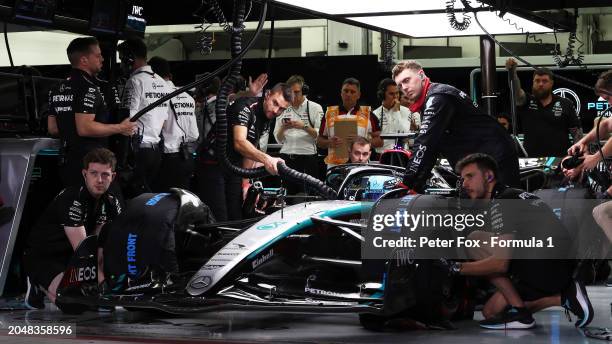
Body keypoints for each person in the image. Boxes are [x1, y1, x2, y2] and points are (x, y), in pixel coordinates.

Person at [444, 153, 592, 329]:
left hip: (546, 267)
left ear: (488, 176)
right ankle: (564, 297)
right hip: (556, 266)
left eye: (470, 176)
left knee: (474, 240)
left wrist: (454, 268)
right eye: (462, 178)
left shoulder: (503, 202)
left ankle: (520, 312)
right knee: (491, 312)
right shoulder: (510, 195)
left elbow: (499, 264)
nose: (465, 184)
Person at [392, 60, 520, 192]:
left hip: (496, 158)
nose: (404, 88)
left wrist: (407, 183)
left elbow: (425, 142)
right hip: (481, 160)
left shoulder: (437, 97)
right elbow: (432, 147)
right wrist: (416, 186)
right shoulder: (431, 99)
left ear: (421, 75)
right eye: (400, 86)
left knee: (504, 207)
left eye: (406, 80)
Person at [23, 148, 122, 309]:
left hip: (71, 258)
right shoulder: (72, 199)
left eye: (105, 175)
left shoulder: (111, 201)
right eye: (94, 173)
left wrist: (107, 284)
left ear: (113, 176)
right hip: (45, 256)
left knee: (93, 299)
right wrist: (103, 287)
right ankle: (37, 283)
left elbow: (104, 244)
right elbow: (83, 251)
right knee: (74, 304)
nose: (99, 180)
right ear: (84, 174)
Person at [197, 83, 292, 221]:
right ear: (267, 94)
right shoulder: (244, 107)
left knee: (237, 216)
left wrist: (246, 185)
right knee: (220, 218)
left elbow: (251, 148)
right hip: (212, 164)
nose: (276, 111)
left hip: (234, 166)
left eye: (281, 109)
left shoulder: (267, 116)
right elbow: (240, 143)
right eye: (275, 103)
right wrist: (267, 159)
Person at [49, 37, 136, 187]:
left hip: (67, 161)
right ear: (84, 60)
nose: (102, 59)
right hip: (93, 166)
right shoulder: (89, 87)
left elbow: (53, 128)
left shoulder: (57, 88)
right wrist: (121, 128)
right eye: (98, 55)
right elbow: (85, 128)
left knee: (74, 205)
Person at [118, 38, 173, 195]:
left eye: (122, 58)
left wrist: (122, 159)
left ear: (131, 58)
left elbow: (126, 122)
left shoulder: (134, 81)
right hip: (156, 153)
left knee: (132, 198)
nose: (121, 62)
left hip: (138, 152)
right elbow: (164, 121)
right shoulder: (163, 83)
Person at [506, 58, 583, 157]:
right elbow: (515, 91)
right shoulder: (526, 101)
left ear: (551, 83)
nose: (540, 84)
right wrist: (512, 72)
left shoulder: (565, 103)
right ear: (533, 83)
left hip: (560, 160)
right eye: (537, 81)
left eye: (544, 81)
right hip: (532, 161)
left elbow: (577, 133)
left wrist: (575, 157)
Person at [148, 56, 200, 191]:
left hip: (168, 159)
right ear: (169, 75)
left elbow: (156, 127)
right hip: (188, 157)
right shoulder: (188, 96)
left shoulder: (158, 96)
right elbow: (194, 133)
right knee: (184, 200)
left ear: (153, 76)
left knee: (164, 201)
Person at [273, 75, 324, 194]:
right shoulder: (282, 107)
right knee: (286, 198)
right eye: (291, 93)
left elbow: (320, 136)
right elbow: (278, 139)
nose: (294, 96)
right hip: (286, 157)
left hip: (308, 157)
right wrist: (283, 128)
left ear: (304, 91)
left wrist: (304, 127)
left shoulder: (315, 108)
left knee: (310, 198)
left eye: (297, 92)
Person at [317, 78, 383, 168]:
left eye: (352, 92)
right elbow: (319, 141)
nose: (348, 94)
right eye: (346, 91)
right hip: (335, 167)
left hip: (360, 166)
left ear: (358, 95)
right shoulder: (329, 114)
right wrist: (329, 142)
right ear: (341, 93)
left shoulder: (369, 115)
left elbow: (380, 141)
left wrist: (363, 141)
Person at [372, 78, 420, 155]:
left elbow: (403, 133)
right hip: (381, 155)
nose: (395, 97)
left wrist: (396, 111)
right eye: (391, 94)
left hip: (402, 154)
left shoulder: (406, 111)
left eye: (397, 93)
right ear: (382, 95)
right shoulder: (375, 114)